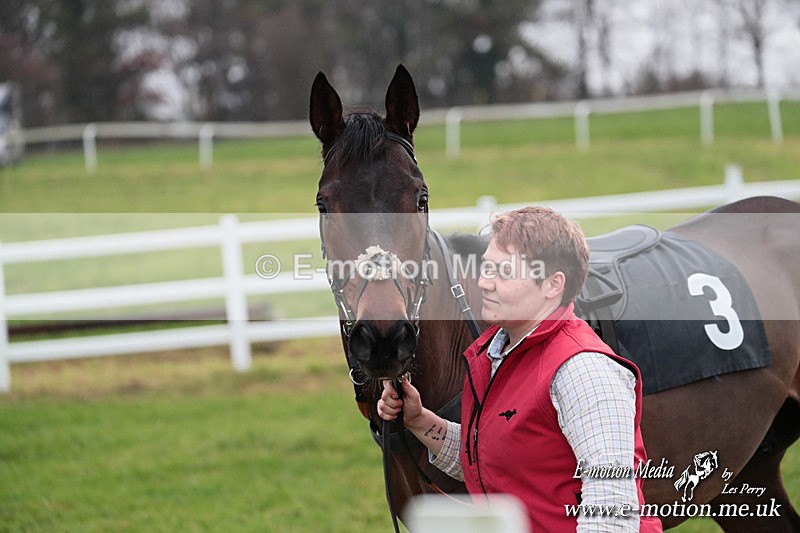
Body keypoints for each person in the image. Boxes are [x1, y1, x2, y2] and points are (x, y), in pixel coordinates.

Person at [378, 206, 662, 532]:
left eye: (504, 272)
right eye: (486, 268)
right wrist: (419, 420)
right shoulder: (497, 354)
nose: (484, 282)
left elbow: (612, 508)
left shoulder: (584, 371)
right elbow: (488, 459)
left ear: (553, 285)